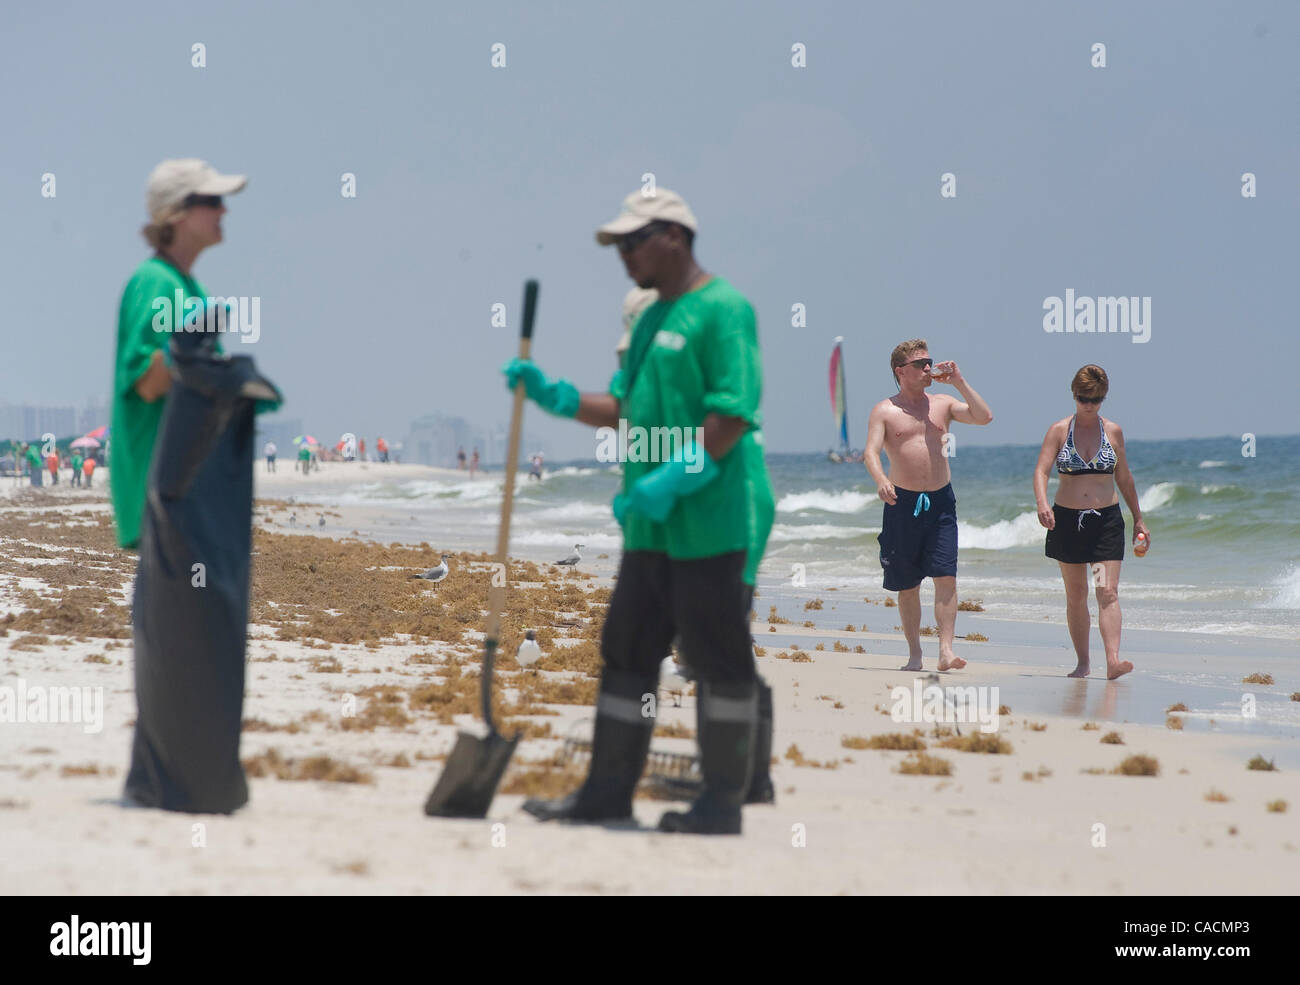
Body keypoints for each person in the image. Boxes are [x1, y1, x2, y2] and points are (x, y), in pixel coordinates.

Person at [509, 188, 767, 835]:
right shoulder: (649, 319)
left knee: (719, 662)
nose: (622, 256)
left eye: (632, 242)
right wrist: (557, 396)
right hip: (649, 531)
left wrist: (674, 478)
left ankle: (722, 804)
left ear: (673, 236)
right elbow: (624, 406)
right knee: (625, 651)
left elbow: (732, 413)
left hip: (707, 527)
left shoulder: (724, 309)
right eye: (617, 245)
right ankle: (605, 793)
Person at [110, 159, 246, 549]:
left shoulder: (188, 287)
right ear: (178, 213)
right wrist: (194, 359)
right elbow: (147, 383)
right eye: (213, 200)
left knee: (171, 610)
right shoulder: (155, 282)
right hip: (162, 498)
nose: (224, 210)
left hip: (184, 495)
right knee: (176, 609)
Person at [864, 339, 993, 672]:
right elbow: (870, 452)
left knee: (946, 577)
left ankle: (946, 651)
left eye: (929, 362)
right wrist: (881, 479)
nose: (927, 369)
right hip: (901, 502)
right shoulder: (885, 410)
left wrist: (960, 382)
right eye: (920, 364)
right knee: (908, 585)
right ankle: (915, 654)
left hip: (941, 502)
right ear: (900, 372)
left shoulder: (943, 403)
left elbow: (984, 417)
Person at [1033, 365, 1147, 680]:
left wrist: (1138, 518)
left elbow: (1124, 477)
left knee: (1106, 591)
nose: (1088, 405)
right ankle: (1083, 662)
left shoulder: (1113, 432)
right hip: (1067, 522)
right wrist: (1043, 504)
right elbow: (1041, 470)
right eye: (1083, 398)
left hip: (1105, 523)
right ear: (1074, 395)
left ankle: (1113, 660)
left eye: (1095, 399)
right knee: (1077, 593)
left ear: (1103, 398)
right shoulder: (1059, 430)